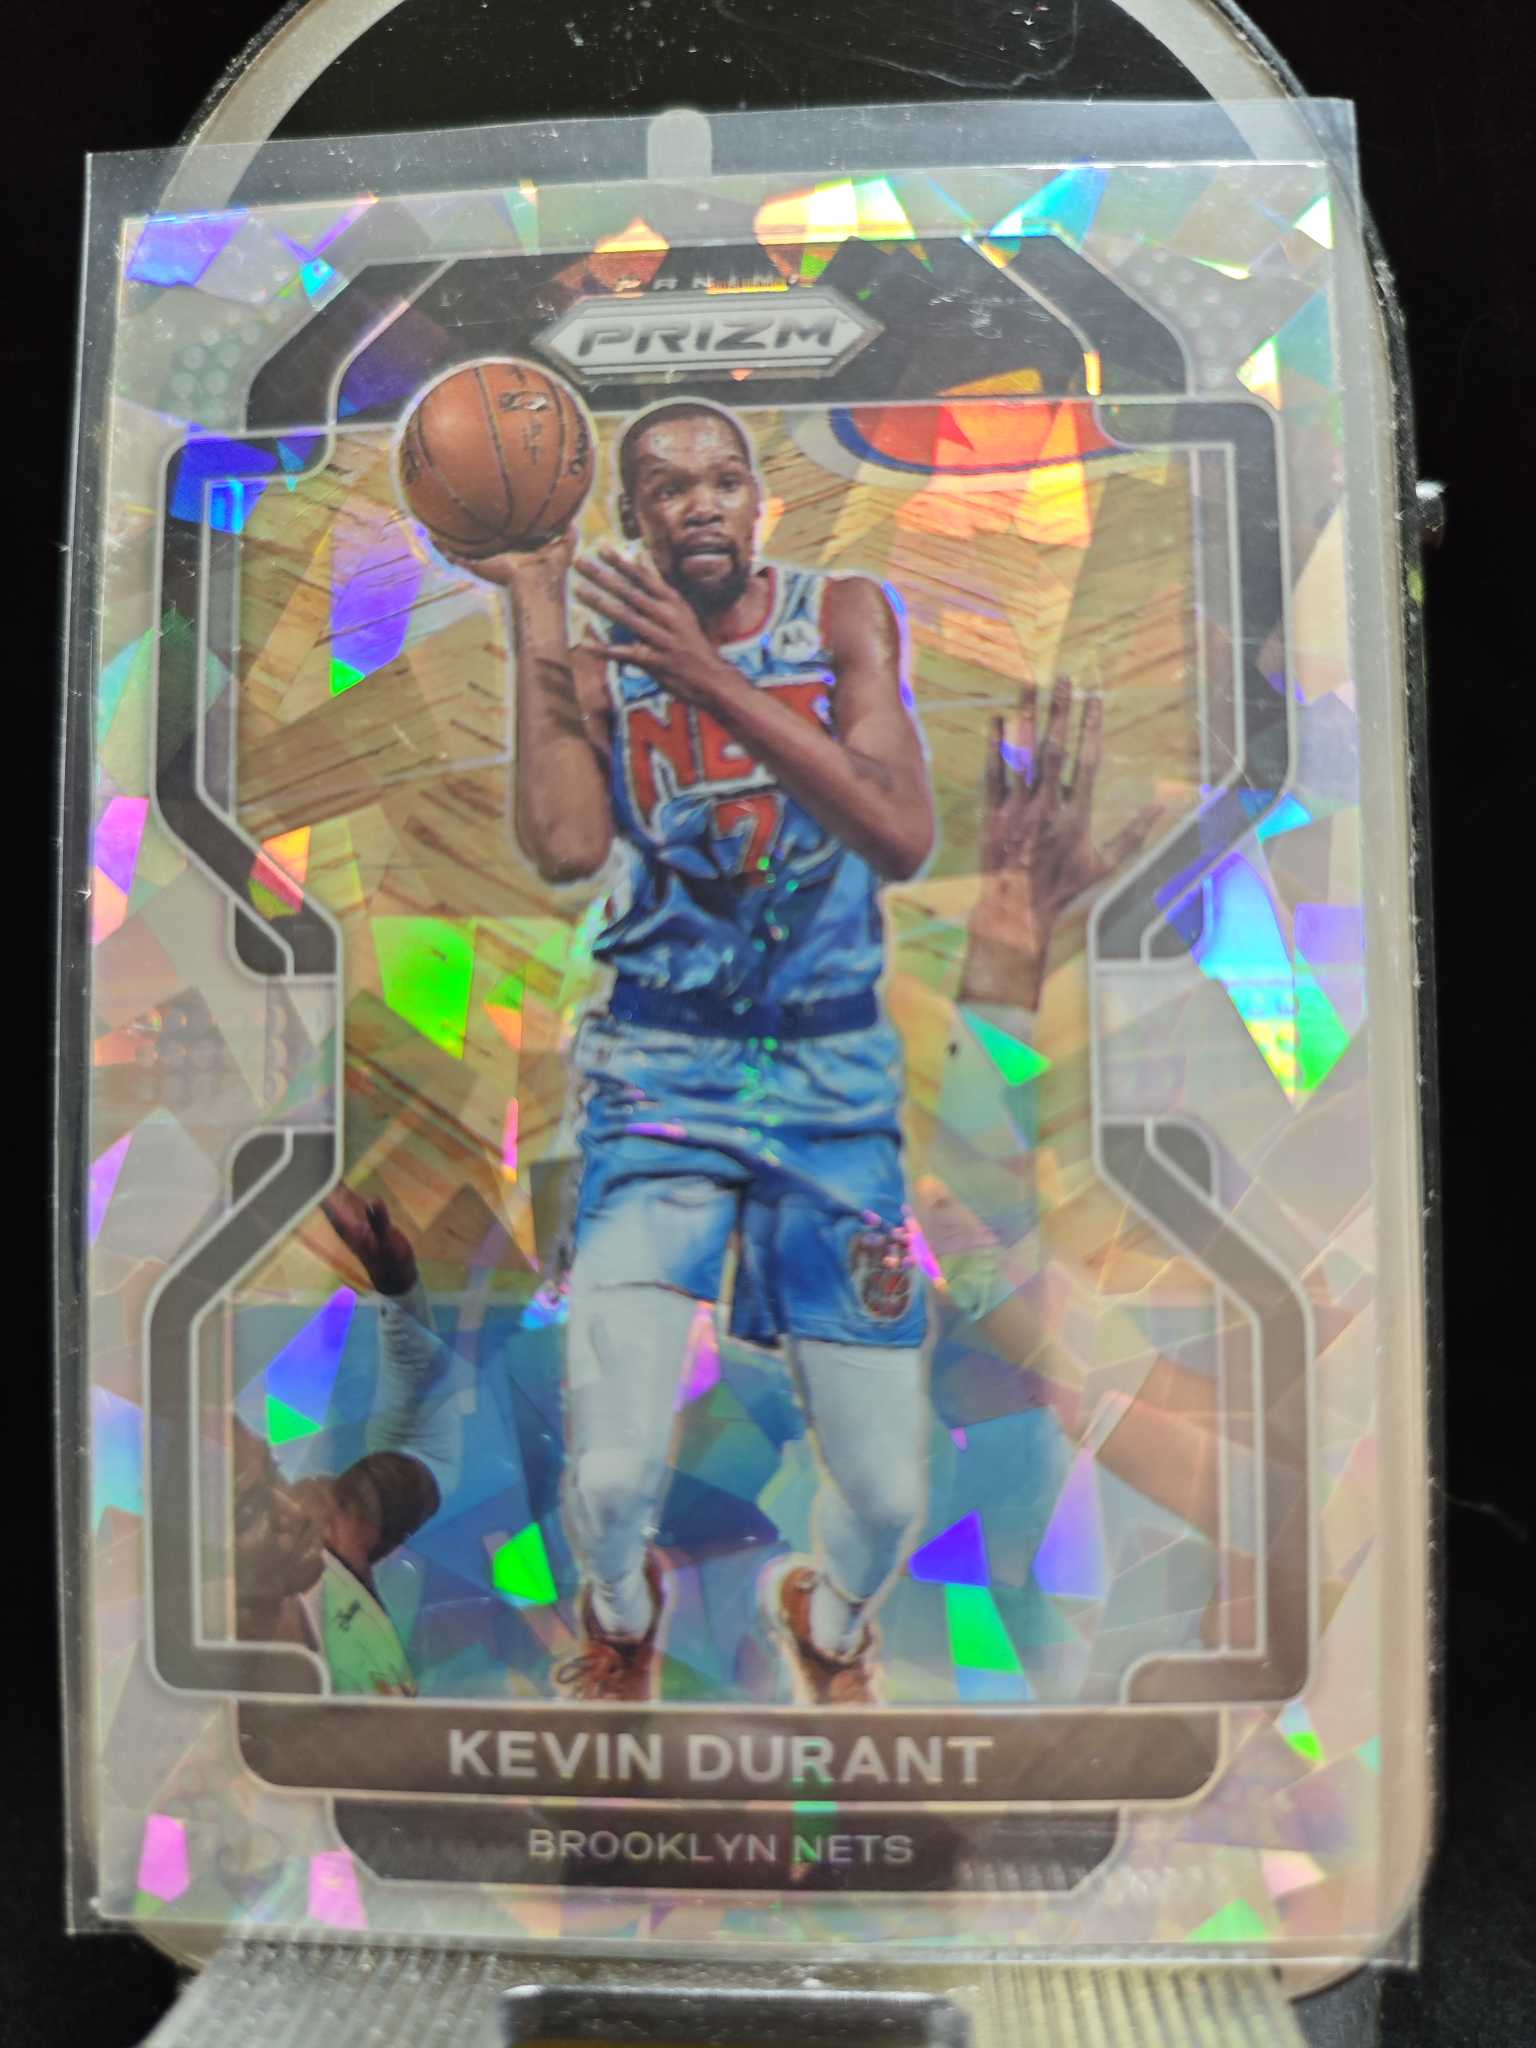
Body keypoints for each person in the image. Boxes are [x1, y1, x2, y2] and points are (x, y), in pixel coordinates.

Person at [232, 1189, 462, 1695]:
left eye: (273, 1474)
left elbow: (426, 1448)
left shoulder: (327, 1544)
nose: (292, 1508)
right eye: (248, 1510)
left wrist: (398, 1286)